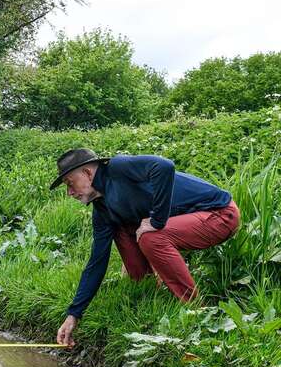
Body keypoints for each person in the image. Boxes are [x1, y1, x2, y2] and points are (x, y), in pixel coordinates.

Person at [50, 148, 239, 347]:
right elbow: (96, 263)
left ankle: (195, 309)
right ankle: (148, 289)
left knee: (151, 237)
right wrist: (74, 314)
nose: (69, 192)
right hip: (186, 223)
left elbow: (164, 166)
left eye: (70, 183)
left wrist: (157, 221)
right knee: (121, 230)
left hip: (219, 214)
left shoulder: (118, 168)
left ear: (88, 173)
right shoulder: (102, 210)